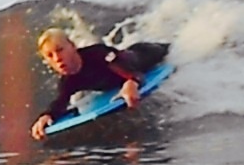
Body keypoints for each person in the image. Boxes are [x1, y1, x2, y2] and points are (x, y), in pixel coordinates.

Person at [30, 29, 170, 141]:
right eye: (50, 55)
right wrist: (47, 115)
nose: (57, 58)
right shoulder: (68, 81)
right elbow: (60, 102)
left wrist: (132, 82)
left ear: (72, 46)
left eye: (60, 50)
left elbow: (131, 72)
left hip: (149, 54)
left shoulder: (99, 54)